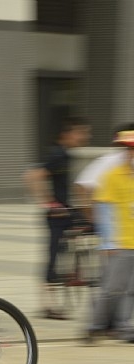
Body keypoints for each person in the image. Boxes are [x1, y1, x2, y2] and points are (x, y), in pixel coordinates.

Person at [25, 117, 91, 320]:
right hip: (56, 216)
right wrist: (48, 203)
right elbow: (33, 176)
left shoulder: (67, 155)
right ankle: (48, 305)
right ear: (66, 134)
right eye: (80, 132)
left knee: (90, 225)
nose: (84, 137)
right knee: (53, 257)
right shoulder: (57, 154)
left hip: (66, 212)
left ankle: (76, 275)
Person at [85, 128, 134, 344]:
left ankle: (124, 327)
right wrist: (108, 242)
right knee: (112, 288)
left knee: (131, 290)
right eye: (129, 150)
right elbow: (104, 210)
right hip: (120, 244)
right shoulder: (113, 176)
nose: (131, 154)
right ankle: (95, 327)